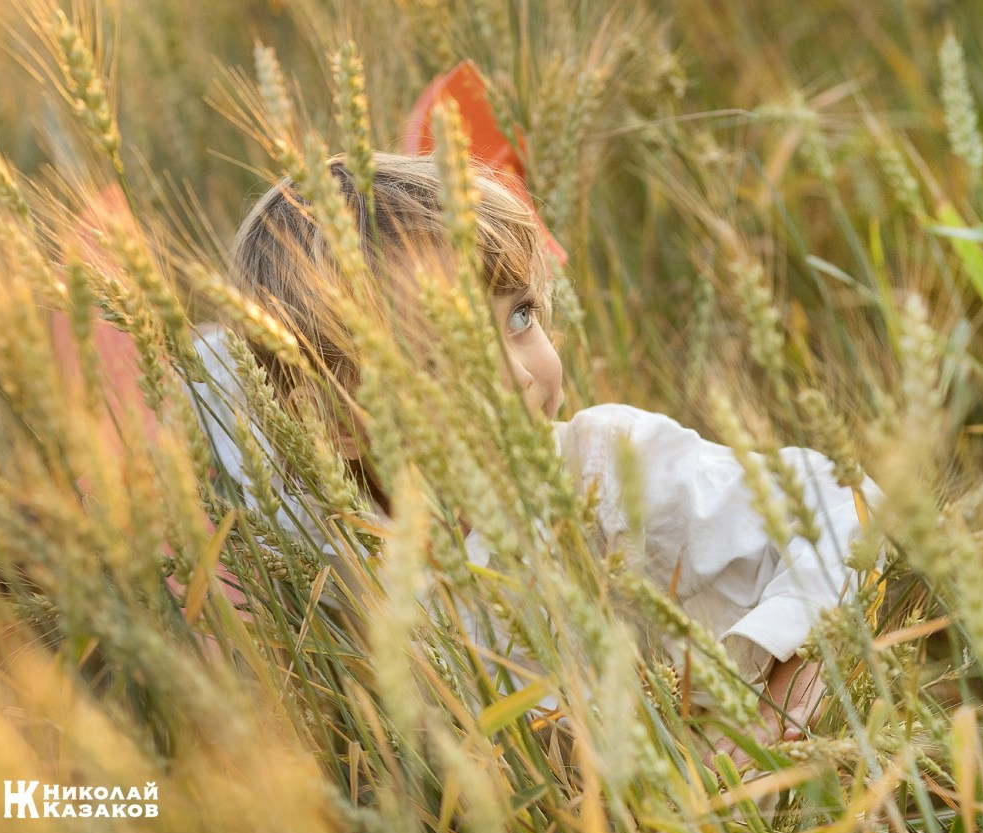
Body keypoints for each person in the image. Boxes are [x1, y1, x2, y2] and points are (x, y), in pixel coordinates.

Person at [192, 151, 877, 769]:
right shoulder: (321, 567)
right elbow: (219, 386)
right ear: (335, 420)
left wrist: (789, 680)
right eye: (450, 355)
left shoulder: (604, 468)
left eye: (519, 316)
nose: (519, 376)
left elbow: (844, 504)